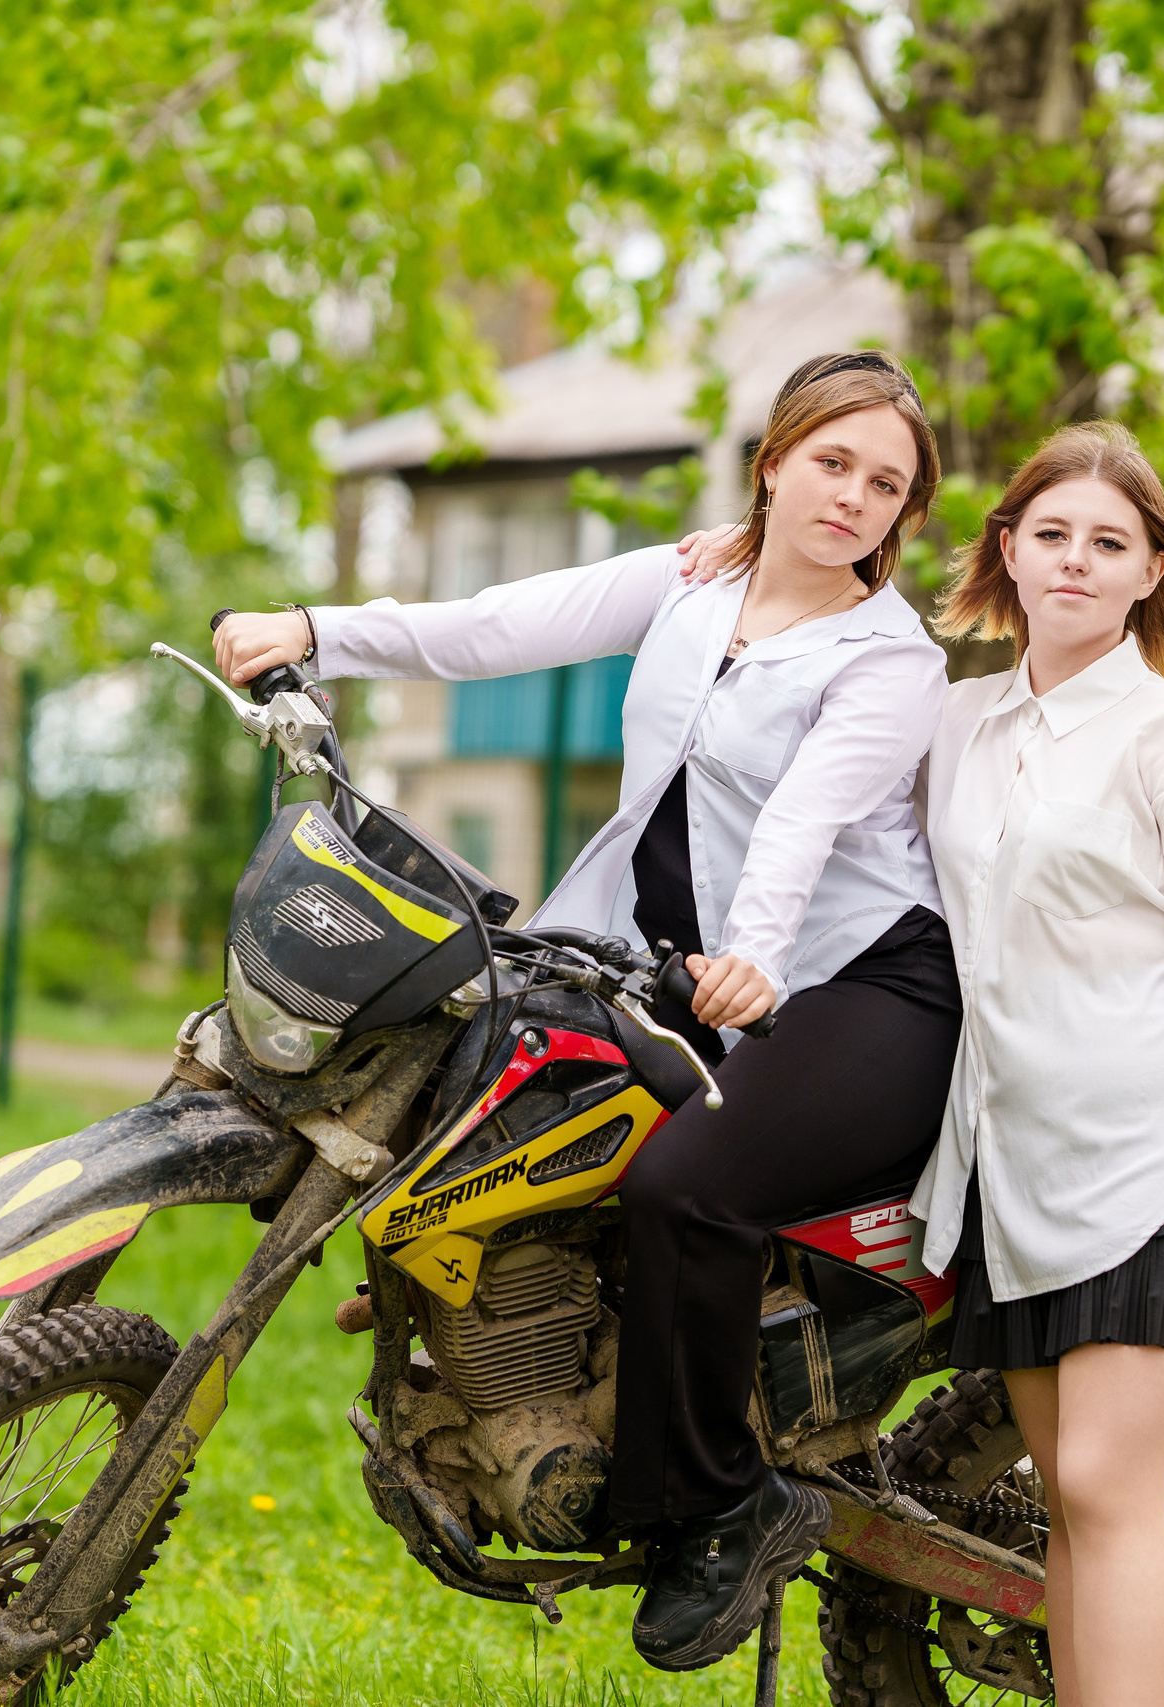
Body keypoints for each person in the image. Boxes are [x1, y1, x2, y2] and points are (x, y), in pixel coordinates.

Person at [213, 352, 964, 1674]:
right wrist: (318, 629)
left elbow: (801, 822)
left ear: (902, 516)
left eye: (886, 484)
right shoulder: (690, 583)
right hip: (663, 950)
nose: (855, 496)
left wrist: (754, 958)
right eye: (835, 462)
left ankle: (724, 1503)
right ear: (775, 458)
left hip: (861, 981)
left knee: (690, 1190)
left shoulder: (888, 655)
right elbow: (499, 623)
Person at [918, 421, 1164, 1706]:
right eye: (1052, 534)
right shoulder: (961, 723)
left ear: (1151, 573)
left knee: (1102, 1485)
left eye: (1110, 543)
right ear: (1007, 551)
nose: (1076, 561)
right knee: (1063, 1505)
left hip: (1157, 1167)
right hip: (1015, 1171)